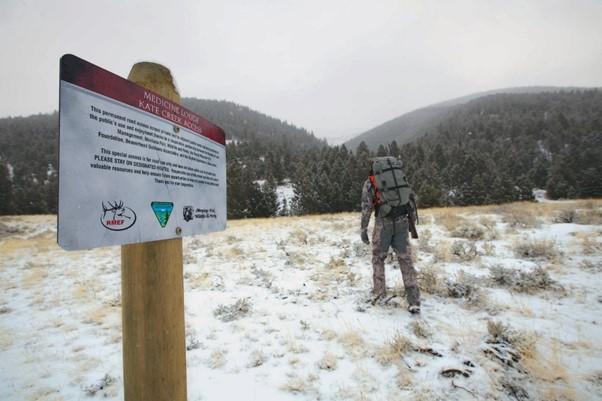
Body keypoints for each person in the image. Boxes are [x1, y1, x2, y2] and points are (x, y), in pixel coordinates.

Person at [360, 167, 421, 314]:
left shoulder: (370, 182)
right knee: (406, 260)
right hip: (402, 221)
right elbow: (411, 200)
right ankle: (413, 300)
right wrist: (411, 221)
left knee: (378, 259)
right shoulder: (399, 177)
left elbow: (366, 207)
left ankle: (379, 294)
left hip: (383, 224)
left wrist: (363, 229)